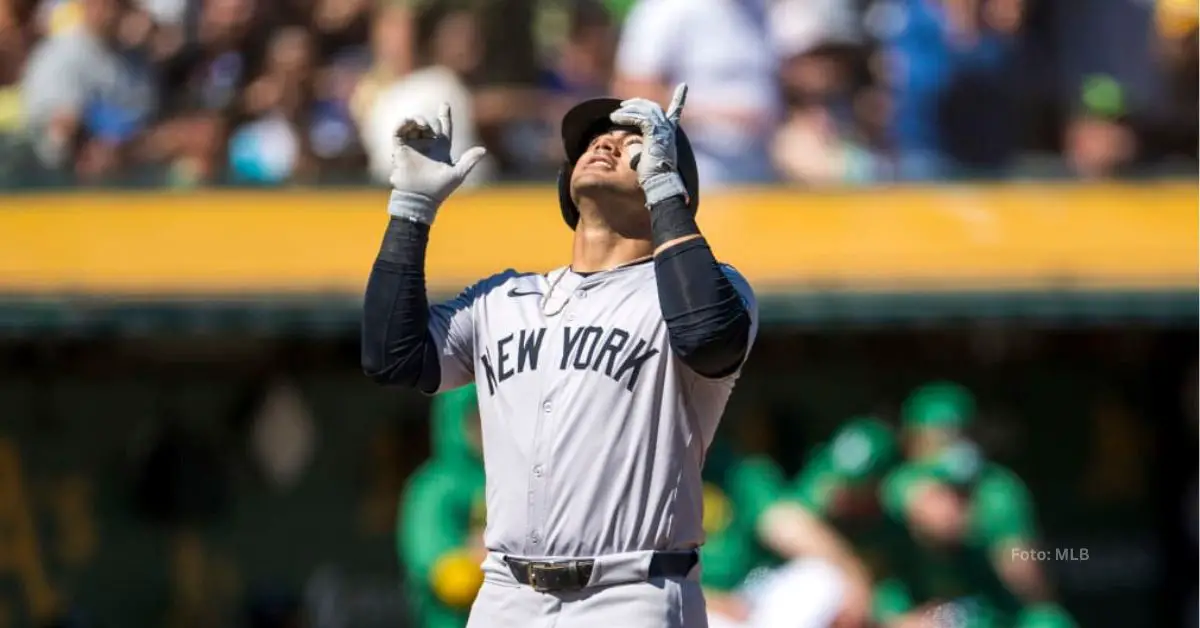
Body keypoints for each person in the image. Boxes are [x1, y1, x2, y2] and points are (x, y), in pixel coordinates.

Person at [361, 83, 759, 628]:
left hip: (630, 591)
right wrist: (410, 213)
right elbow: (392, 356)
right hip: (505, 594)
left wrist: (663, 186)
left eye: (632, 142)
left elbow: (710, 339)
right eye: (596, 139)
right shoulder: (502, 298)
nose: (606, 144)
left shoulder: (710, 290)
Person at [397, 384, 487, 628]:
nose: (485, 427)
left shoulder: (513, 480)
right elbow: (451, 581)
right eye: (475, 417)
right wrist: (496, 563)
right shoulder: (432, 489)